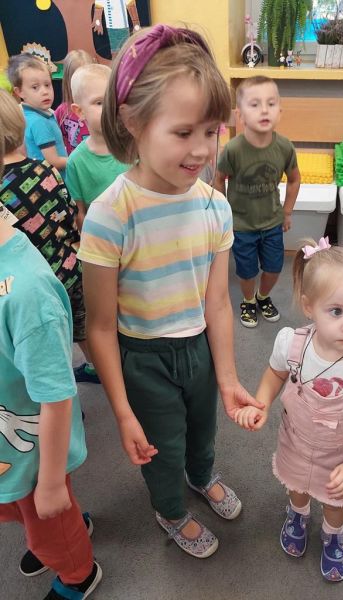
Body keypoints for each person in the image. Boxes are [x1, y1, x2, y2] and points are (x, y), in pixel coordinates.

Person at [78, 24, 262, 559]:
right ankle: (171, 509)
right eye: (183, 132)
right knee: (160, 447)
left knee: (203, 430)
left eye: (211, 131)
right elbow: (99, 326)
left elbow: (219, 302)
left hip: (198, 345)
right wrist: (121, 410)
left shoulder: (214, 206)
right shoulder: (111, 215)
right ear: (132, 122)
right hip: (143, 357)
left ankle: (202, 477)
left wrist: (227, 377)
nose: (202, 150)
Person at [235, 238, 343, 582]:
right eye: (336, 311)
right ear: (309, 306)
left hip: (342, 456)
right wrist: (260, 403)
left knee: (336, 501)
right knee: (296, 483)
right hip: (295, 440)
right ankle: (297, 512)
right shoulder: (292, 344)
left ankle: (333, 533)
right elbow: (275, 374)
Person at [0, 120, 102, 599]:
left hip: (34, 449)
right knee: (23, 511)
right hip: (9, 442)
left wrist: (51, 484)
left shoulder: (28, 294)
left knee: (49, 523)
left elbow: (57, 395)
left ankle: (78, 573)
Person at [0, 89, 100, 385]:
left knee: (48, 344)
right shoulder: (45, 168)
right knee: (82, 326)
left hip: (36, 285)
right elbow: (69, 212)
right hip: (70, 267)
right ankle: (98, 368)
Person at [215, 76, 301, 328]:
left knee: (274, 268)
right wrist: (223, 214)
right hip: (242, 225)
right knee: (246, 270)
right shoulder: (233, 149)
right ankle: (248, 300)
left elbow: (295, 179)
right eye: (254, 104)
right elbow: (218, 179)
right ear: (240, 115)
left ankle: (263, 297)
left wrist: (287, 212)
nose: (264, 110)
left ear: (280, 111)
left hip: (272, 222)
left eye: (271, 104)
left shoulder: (285, 147)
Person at [66, 63, 128, 231]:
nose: (110, 108)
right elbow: (80, 213)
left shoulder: (134, 146)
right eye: (99, 102)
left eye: (113, 100)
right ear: (80, 111)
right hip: (105, 236)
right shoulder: (76, 162)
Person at [8, 53, 68, 179]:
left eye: (47, 84)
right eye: (35, 87)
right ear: (19, 92)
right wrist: (77, 160)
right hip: (58, 180)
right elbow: (53, 162)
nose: (45, 91)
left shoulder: (27, 114)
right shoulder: (39, 122)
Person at [55, 49, 94, 156]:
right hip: (76, 161)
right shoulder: (62, 111)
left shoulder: (99, 107)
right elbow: (57, 139)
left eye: (88, 79)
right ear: (69, 81)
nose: (84, 85)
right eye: (79, 80)